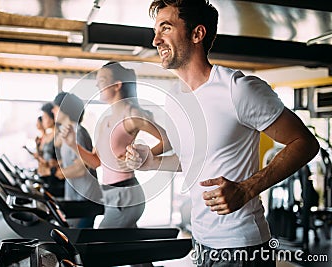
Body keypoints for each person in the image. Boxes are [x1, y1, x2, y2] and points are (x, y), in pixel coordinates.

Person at [124, 0, 320, 266]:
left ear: (197, 34)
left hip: (242, 246)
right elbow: (193, 161)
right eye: (156, 30)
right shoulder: (175, 97)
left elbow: (305, 143)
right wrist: (151, 162)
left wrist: (247, 188)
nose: (155, 39)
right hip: (202, 242)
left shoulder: (238, 89)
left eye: (166, 28)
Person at [61, 62, 172, 228]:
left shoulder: (132, 115)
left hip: (126, 195)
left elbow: (168, 141)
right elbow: (95, 162)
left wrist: (144, 157)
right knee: (123, 248)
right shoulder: (105, 120)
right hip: (110, 195)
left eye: (103, 80)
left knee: (101, 242)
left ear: (117, 85)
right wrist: (72, 144)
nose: (97, 85)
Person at [52, 92, 102, 228]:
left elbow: (82, 167)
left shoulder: (78, 132)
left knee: (81, 239)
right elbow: (70, 161)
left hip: (86, 197)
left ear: (65, 109)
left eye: (55, 107)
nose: (53, 111)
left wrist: (59, 173)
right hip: (75, 194)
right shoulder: (68, 132)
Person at [35, 102, 63, 197]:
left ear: (52, 117)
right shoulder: (48, 136)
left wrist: (54, 164)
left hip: (57, 179)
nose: (43, 120)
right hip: (49, 176)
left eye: (45, 117)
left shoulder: (60, 135)